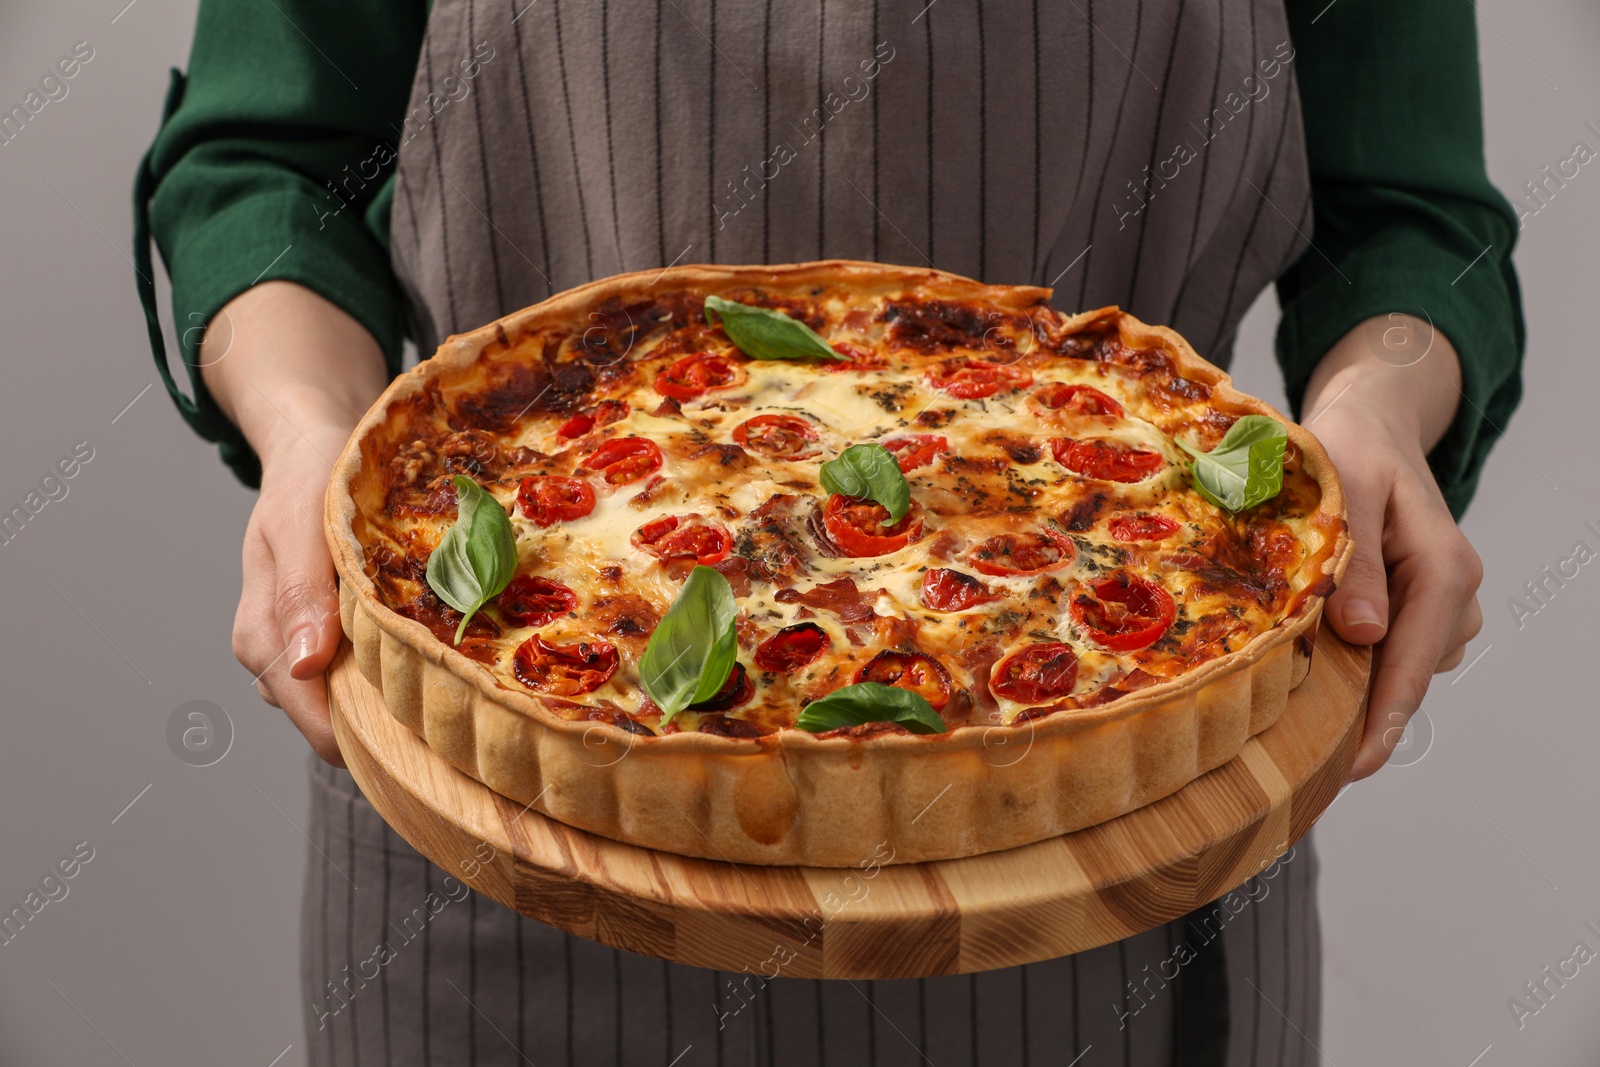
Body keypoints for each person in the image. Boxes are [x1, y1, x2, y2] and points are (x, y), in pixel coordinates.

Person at [134, 0, 1521, 1063]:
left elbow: (1408, 220)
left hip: (1108, 913)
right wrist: (317, 435)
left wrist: (1380, 411)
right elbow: (271, 169)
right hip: (501, 893)